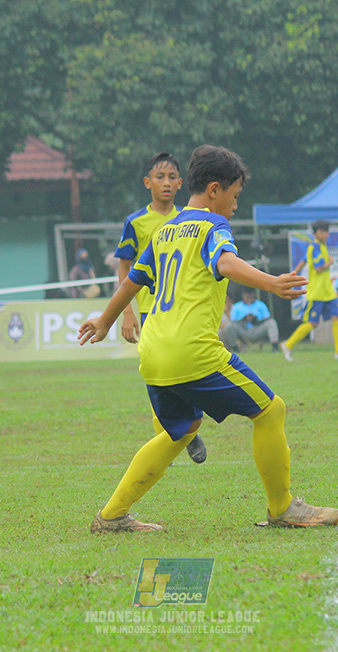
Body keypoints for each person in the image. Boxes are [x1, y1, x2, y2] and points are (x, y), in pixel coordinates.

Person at [78, 144, 338, 533]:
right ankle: (283, 507)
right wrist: (271, 283)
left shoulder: (165, 230)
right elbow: (225, 261)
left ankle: (112, 515)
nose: (235, 205)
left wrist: (104, 320)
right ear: (215, 190)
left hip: (153, 352)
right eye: (235, 195)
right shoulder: (213, 226)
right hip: (192, 352)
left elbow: (132, 281)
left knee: (180, 431)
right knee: (271, 411)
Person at [112, 151, 206, 465]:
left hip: (184, 310)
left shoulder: (189, 219)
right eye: (160, 177)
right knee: (158, 375)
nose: (166, 183)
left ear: (181, 183)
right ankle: (172, 438)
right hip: (151, 310)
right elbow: (124, 267)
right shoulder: (136, 222)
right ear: (147, 182)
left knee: (187, 368)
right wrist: (127, 311)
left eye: (172, 177)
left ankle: (188, 426)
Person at [280, 220, 338, 361]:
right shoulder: (315, 247)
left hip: (328, 292)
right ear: (315, 233)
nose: (325, 235)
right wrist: (330, 263)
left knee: (337, 318)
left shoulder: (321, 246)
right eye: (322, 232)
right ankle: (288, 345)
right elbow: (319, 268)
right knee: (312, 323)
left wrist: (293, 275)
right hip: (317, 292)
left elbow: (303, 261)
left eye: (326, 232)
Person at [220, 287, 280, 352]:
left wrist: (256, 320)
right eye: (247, 296)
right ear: (243, 295)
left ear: (254, 294)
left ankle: (275, 347)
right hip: (243, 330)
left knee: (272, 322)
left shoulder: (261, 305)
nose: (249, 298)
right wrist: (244, 319)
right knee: (229, 326)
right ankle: (235, 349)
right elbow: (233, 322)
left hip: (258, 329)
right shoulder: (237, 307)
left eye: (251, 296)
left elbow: (267, 318)